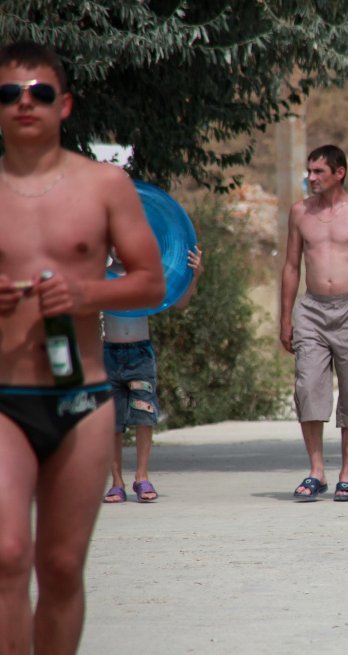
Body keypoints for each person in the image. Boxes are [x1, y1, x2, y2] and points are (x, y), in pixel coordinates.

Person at [0, 41, 165, 654]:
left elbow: (152, 280)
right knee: (7, 554)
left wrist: (84, 291)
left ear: (63, 104)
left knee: (62, 566)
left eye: (40, 92)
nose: (25, 104)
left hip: (83, 397)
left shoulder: (104, 186)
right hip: (5, 397)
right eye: (9, 93)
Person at [280, 144, 348, 502]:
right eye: (309, 172)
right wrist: (285, 318)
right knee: (308, 386)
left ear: (339, 173)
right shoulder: (300, 212)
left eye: (318, 172)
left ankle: (347, 475)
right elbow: (292, 266)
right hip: (311, 309)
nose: (311, 178)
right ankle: (316, 471)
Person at [102, 246, 203, 504]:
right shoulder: (100, 276)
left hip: (140, 355)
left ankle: (141, 476)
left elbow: (180, 303)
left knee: (143, 414)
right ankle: (116, 482)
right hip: (108, 354)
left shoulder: (145, 276)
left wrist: (194, 275)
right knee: (112, 422)